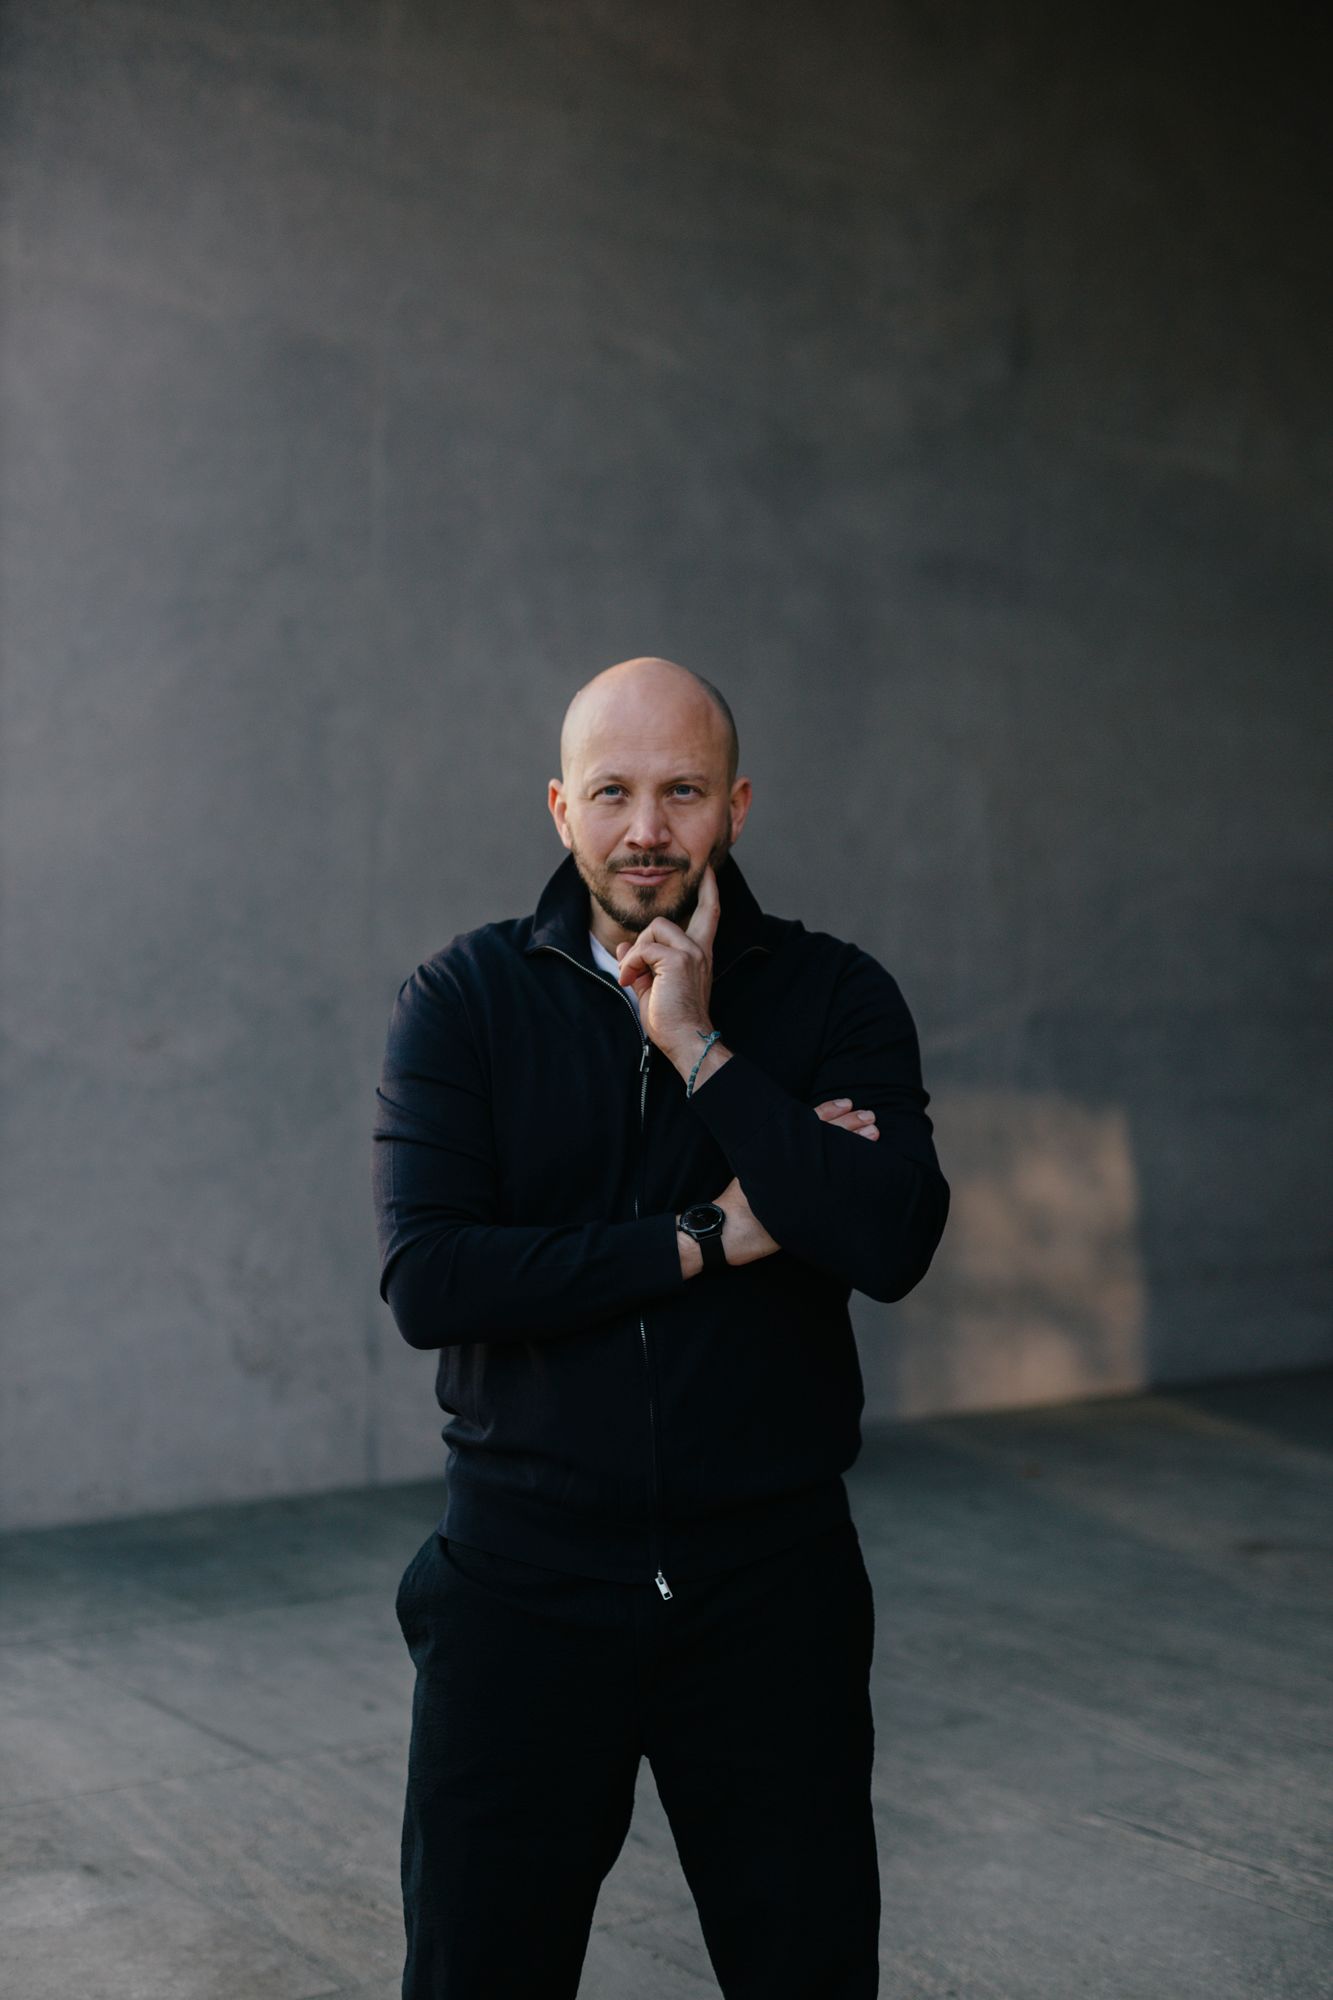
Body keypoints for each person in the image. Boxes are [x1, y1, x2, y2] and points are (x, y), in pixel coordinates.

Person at [372, 655, 950, 1999]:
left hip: (771, 1588)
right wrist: (710, 1233)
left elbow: (889, 1239)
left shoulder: (831, 995)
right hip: (520, 1585)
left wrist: (698, 1048)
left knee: (805, 1972)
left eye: (683, 791)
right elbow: (433, 1279)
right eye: (613, 792)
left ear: (736, 805)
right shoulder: (463, 1000)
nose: (647, 828)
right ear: (559, 807)